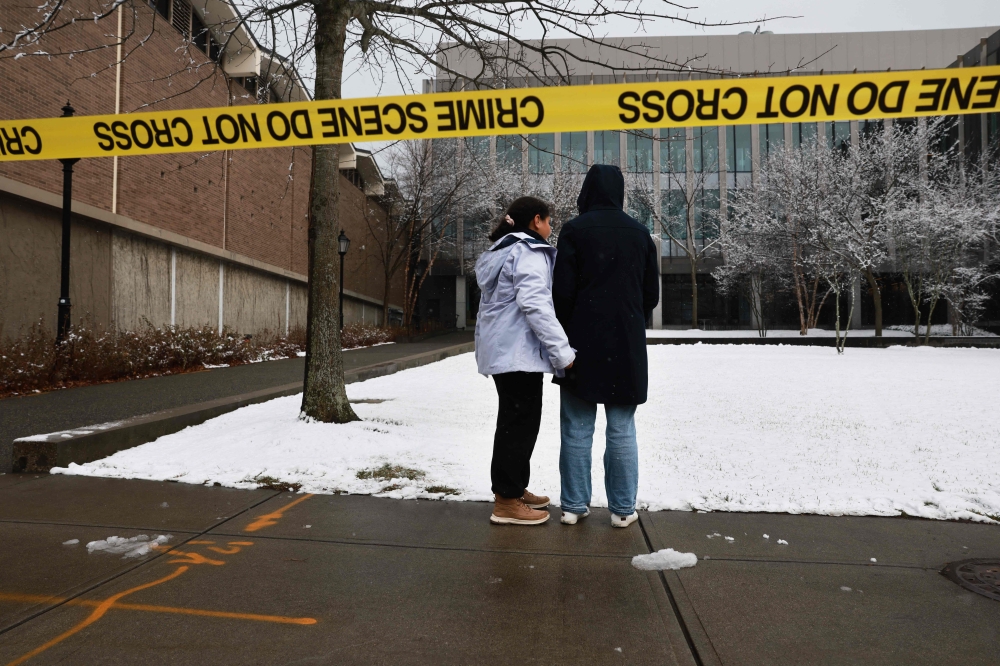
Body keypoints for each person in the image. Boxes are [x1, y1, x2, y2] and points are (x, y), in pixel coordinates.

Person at [552, 164, 659, 528]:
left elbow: (561, 293)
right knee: (621, 427)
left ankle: (573, 505)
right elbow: (651, 296)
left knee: (577, 427)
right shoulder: (640, 233)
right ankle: (623, 509)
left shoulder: (573, 231)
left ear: (587, 191)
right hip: (626, 343)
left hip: (581, 341)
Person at [475, 196, 576, 526]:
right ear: (536, 220)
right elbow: (536, 305)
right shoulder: (528, 251)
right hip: (517, 352)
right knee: (519, 424)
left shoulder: (503, 250)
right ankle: (506, 501)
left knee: (515, 421)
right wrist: (563, 353)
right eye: (549, 222)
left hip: (504, 350)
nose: (551, 228)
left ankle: (514, 490)